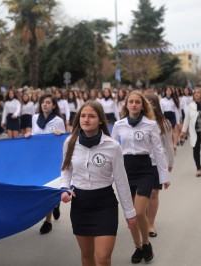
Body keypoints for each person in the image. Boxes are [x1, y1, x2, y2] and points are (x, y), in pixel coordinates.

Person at [59, 100, 136, 266]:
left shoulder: (113, 146)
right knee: (87, 255)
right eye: (83, 116)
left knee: (102, 258)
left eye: (91, 116)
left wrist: (129, 211)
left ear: (100, 120)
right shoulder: (70, 142)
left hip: (105, 204)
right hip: (81, 204)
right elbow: (66, 170)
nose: (86, 119)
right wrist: (64, 188)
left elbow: (121, 181)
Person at [112, 90, 170, 264]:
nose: (134, 105)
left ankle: (146, 242)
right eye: (131, 102)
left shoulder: (150, 125)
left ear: (142, 105)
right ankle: (139, 246)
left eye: (138, 102)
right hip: (126, 169)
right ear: (126, 105)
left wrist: (164, 175)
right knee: (130, 214)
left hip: (146, 169)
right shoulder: (119, 125)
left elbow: (158, 151)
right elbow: (111, 149)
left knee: (138, 212)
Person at [26, 93, 66, 234]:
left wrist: (59, 135)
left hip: (52, 158)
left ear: (53, 105)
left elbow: (64, 141)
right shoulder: (34, 118)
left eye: (48, 102)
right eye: (43, 102)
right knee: (40, 186)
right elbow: (35, 136)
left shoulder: (58, 121)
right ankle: (55, 203)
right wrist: (28, 134)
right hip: (38, 158)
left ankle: (47, 221)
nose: (45, 104)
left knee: (49, 188)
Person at [145, 93, 173, 238]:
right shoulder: (136, 122)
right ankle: (142, 218)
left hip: (157, 162)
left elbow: (168, 145)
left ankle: (150, 223)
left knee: (154, 192)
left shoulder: (164, 123)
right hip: (140, 163)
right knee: (141, 194)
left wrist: (169, 164)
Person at [160, 87, 180, 153]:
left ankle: (174, 145)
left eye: (170, 90)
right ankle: (170, 145)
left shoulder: (174, 100)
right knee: (168, 131)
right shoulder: (162, 100)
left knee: (174, 130)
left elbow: (177, 110)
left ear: (172, 92)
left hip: (172, 115)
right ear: (165, 91)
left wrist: (178, 121)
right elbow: (161, 110)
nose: (168, 92)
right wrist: (162, 119)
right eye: (167, 90)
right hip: (165, 116)